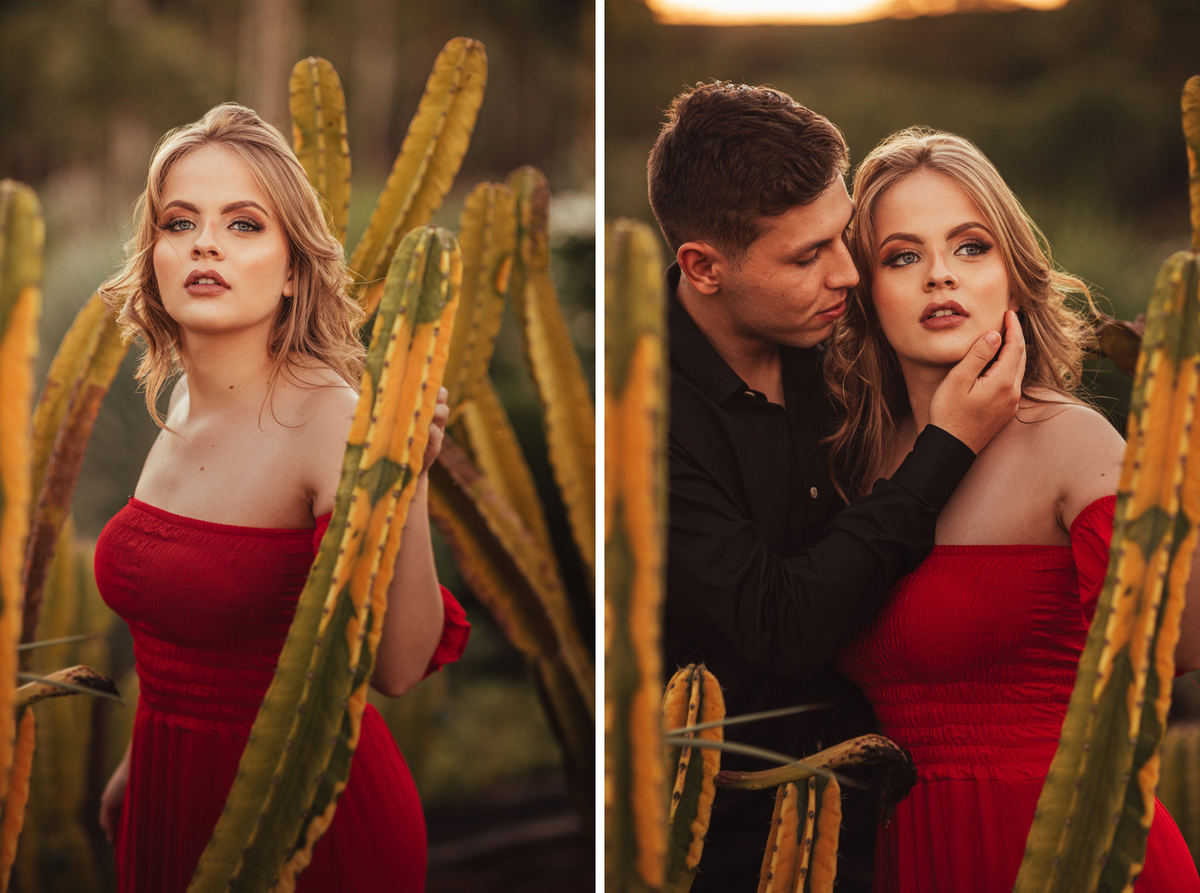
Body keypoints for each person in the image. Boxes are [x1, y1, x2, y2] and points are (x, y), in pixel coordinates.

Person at [648, 82, 1026, 891]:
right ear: (703, 267)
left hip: (903, 812)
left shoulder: (840, 340)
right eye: (806, 255)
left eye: (843, 236)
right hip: (732, 844)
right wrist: (947, 445)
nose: (847, 273)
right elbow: (780, 624)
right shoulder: (641, 410)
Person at [92, 103, 470, 893]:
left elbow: (399, 664)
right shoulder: (182, 406)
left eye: (243, 224)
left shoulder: (330, 416)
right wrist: (139, 764)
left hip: (301, 824)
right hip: (169, 797)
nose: (205, 243)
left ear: (294, 266)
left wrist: (408, 476)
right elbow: (191, 637)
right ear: (154, 255)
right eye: (179, 222)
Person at [831, 128, 1200, 893]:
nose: (940, 276)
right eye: (902, 256)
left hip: (1072, 852)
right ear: (865, 290)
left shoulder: (1069, 439)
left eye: (971, 247)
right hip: (911, 856)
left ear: (1013, 273)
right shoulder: (850, 464)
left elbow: (1177, 645)